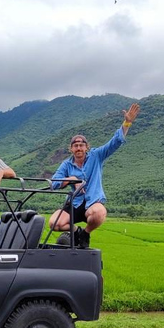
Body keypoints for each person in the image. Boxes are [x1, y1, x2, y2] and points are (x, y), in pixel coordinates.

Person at [49, 103, 140, 248]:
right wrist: (71, 179)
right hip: (75, 202)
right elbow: (53, 183)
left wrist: (127, 123)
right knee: (54, 223)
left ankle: (85, 233)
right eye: (75, 145)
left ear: (86, 147)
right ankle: (76, 231)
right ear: (71, 148)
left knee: (99, 213)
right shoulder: (66, 165)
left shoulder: (96, 156)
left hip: (92, 201)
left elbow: (114, 143)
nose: (79, 147)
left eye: (81, 145)